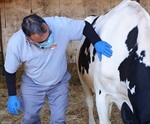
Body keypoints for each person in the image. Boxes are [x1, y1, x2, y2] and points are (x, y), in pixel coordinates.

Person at [4, 14, 112, 124]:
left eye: (49, 34)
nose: (49, 40)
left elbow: (84, 26)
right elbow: (10, 71)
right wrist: (12, 95)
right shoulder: (16, 43)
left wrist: (97, 41)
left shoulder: (59, 25)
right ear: (29, 40)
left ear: (46, 25)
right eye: (42, 41)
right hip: (33, 83)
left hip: (59, 82)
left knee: (59, 119)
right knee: (30, 118)